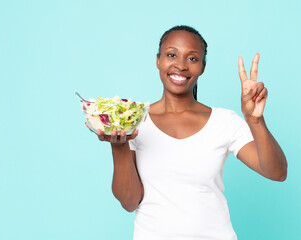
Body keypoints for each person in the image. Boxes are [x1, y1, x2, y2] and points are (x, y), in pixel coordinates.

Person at [86, 25, 287, 240]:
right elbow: (129, 201)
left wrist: (255, 120)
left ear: (203, 67)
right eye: (172, 55)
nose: (181, 65)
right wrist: (119, 146)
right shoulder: (134, 121)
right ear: (158, 60)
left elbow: (277, 172)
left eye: (192, 58)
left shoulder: (224, 121)